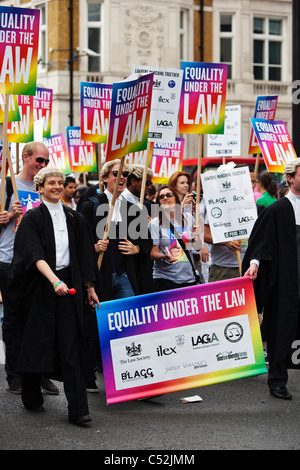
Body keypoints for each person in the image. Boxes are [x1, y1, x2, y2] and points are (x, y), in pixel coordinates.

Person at [4, 167, 100, 424]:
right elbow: (33, 255)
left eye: (60, 182)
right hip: (39, 288)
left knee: (70, 345)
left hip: (69, 288)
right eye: (51, 183)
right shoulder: (32, 218)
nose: (57, 187)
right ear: (40, 187)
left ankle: (79, 410)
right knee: (38, 341)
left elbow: (84, 255)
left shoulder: (74, 217)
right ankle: (32, 395)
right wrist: (54, 280)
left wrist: (89, 288)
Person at [0, 141, 59, 396]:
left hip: (36, 262)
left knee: (40, 320)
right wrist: (5, 217)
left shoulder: (42, 188)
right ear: (25, 158)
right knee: (14, 320)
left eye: (46, 162)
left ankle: (38, 373)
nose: (43, 165)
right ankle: (14, 375)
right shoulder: (5, 185)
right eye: (39, 160)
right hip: (8, 260)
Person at [242, 158, 300, 400]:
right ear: (290, 178)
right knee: (280, 328)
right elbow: (261, 243)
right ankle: (277, 381)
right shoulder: (277, 210)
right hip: (286, 280)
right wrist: (254, 263)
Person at [79, 159, 152, 301]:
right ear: (104, 178)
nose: (122, 177)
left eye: (125, 174)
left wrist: (136, 248)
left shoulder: (133, 209)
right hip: (100, 277)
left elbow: (146, 241)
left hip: (125, 276)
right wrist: (93, 248)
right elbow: (79, 242)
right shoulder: (90, 206)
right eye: (116, 173)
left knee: (130, 318)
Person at [149, 185, 201, 292]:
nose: (165, 198)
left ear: (176, 198)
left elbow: (197, 248)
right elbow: (152, 253)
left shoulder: (188, 218)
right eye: (161, 197)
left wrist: (197, 235)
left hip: (188, 278)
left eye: (169, 195)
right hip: (166, 279)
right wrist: (164, 256)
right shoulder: (155, 223)